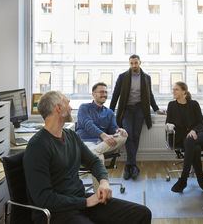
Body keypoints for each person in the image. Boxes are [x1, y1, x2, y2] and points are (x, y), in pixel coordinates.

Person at [23, 91, 151, 224]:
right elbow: (44, 199)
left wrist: (103, 181)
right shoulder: (37, 146)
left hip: (80, 202)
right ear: (58, 108)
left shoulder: (71, 136)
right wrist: (85, 202)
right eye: (68, 103)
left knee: (142, 214)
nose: (71, 107)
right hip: (57, 212)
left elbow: (94, 161)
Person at [110, 54, 165, 180]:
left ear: (140, 62)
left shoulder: (146, 78)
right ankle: (132, 165)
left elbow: (149, 94)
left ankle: (130, 166)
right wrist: (110, 111)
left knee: (136, 135)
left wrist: (156, 109)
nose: (134, 65)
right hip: (127, 109)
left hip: (140, 109)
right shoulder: (122, 77)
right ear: (129, 64)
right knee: (128, 135)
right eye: (131, 63)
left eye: (136, 63)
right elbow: (115, 94)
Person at [165, 81, 203, 193]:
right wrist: (168, 126)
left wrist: (194, 130)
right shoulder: (171, 105)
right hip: (183, 138)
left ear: (183, 91)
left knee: (191, 141)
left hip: (201, 134)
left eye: (176, 89)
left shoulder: (194, 104)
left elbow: (201, 122)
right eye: (173, 89)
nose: (173, 91)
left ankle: (183, 179)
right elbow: (168, 122)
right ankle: (202, 183)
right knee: (195, 148)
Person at [76, 82, 128, 190]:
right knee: (97, 155)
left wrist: (119, 130)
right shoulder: (84, 107)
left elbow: (113, 128)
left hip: (103, 144)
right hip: (85, 142)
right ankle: (99, 192)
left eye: (105, 92)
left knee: (124, 136)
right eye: (101, 92)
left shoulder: (109, 112)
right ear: (93, 94)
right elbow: (88, 124)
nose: (104, 94)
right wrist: (103, 135)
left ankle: (96, 151)